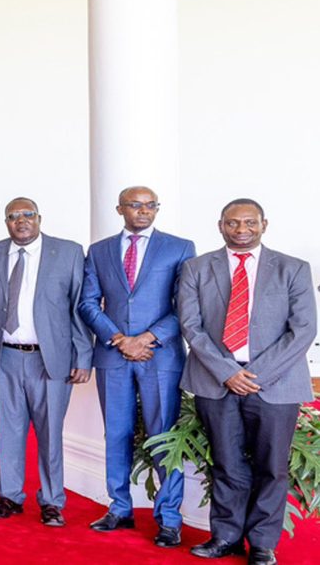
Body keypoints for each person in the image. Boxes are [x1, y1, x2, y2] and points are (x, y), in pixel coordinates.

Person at [177, 199, 316, 565]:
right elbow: (191, 326)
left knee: (272, 467)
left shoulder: (293, 268)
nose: (241, 230)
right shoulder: (196, 268)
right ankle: (225, 536)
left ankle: (263, 544)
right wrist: (228, 372)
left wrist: (255, 376)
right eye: (233, 223)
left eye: (250, 222)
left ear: (264, 224)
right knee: (226, 463)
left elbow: (303, 330)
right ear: (220, 225)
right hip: (216, 381)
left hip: (276, 384)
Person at [78, 187, 195, 547]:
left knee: (163, 437)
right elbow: (87, 302)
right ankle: (119, 507)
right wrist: (118, 339)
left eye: (150, 205)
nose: (143, 211)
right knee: (117, 433)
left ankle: (169, 518)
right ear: (120, 209)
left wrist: (146, 338)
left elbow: (186, 304)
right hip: (113, 355)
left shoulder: (179, 247)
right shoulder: (99, 250)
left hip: (160, 356)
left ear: (157, 209)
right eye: (135, 205)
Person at [0, 198, 92, 527]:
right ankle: (9, 496)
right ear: (6, 222)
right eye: (13, 216)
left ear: (39, 218)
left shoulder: (68, 252)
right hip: (5, 357)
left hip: (50, 358)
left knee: (50, 433)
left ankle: (52, 501)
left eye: (27, 214)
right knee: (9, 431)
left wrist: (83, 355)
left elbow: (79, 307)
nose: (21, 221)